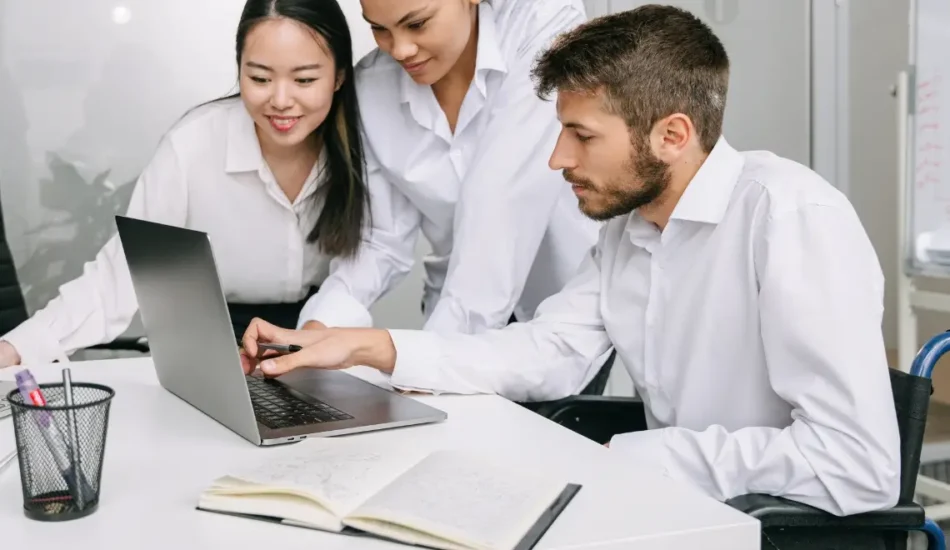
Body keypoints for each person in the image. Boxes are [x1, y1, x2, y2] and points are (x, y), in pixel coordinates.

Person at [240, 5, 902, 517]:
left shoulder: (789, 217)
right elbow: (550, 350)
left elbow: (857, 464)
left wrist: (640, 455)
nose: (557, 160)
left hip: (751, 527)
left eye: (581, 135)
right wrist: (367, 347)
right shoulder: (628, 233)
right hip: (676, 507)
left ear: (672, 135)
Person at [0, 0, 370, 367]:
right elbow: (122, 273)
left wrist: (314, 337)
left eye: (304, 80)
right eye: (260, 78)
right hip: (215, 348)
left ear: (339, 76)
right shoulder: (194, 145)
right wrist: (18, 348)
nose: (281, 100)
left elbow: (371, 262)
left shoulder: (366, 146)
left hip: (321, 341)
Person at [294, 0, 601, 335]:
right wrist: (320, 325)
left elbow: (503, 197)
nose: (400, 50)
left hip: (569, 312)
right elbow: (380, 240)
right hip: (450, 307)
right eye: (379, 29)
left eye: (417, 24)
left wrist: (436, 353)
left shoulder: (541, 24)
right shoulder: (372, 88)